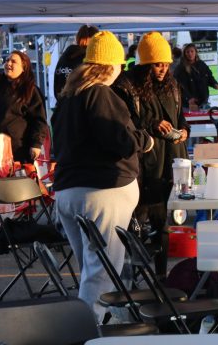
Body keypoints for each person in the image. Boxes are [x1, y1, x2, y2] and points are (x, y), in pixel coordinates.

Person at [52, 30, 153, 315]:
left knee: (91, 270)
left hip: (69, 192)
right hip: (102, 191)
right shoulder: (99, 94)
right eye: (121, 65)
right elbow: (121, 139)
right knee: (101, 273)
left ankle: (99, 325)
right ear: (110, 66)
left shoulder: (68, 97)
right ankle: (87, 332)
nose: (122, 71)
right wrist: (145, 140)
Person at [113, 31, 189, 279]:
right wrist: (152, 125)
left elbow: (180, 117)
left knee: (163, 223)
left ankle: (161, 276)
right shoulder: (126, 86)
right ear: (145, 64)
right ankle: (135, 273)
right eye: (157, 64)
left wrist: (184, 130)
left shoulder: (173, 85)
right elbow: (124, 126)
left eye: (166, 64)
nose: (163, 69)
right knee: (139, 220)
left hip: (171, 161)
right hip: (142, 165)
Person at [0, 51, 48, 164]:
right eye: (7, 60)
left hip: (19, 149)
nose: (8, 63)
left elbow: (39, 120)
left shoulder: (30, 91)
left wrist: (36, 144)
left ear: (24, 68)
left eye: (13, 61)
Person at [53, 24, 98, 101]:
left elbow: (57, 83)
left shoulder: (64, 57)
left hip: (63, 104)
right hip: (81, 106)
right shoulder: (88, 58)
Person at [173, 43, 218, 110]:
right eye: (187, 52)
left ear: (196, 52)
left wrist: (215, 84)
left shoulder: (202, 64)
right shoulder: (180, 68)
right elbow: (179, 86)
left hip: (203, 102)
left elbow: (209, 77)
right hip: (188, 104)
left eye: (192, 51)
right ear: (184, 54)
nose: (190, 54)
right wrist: (188, 98)